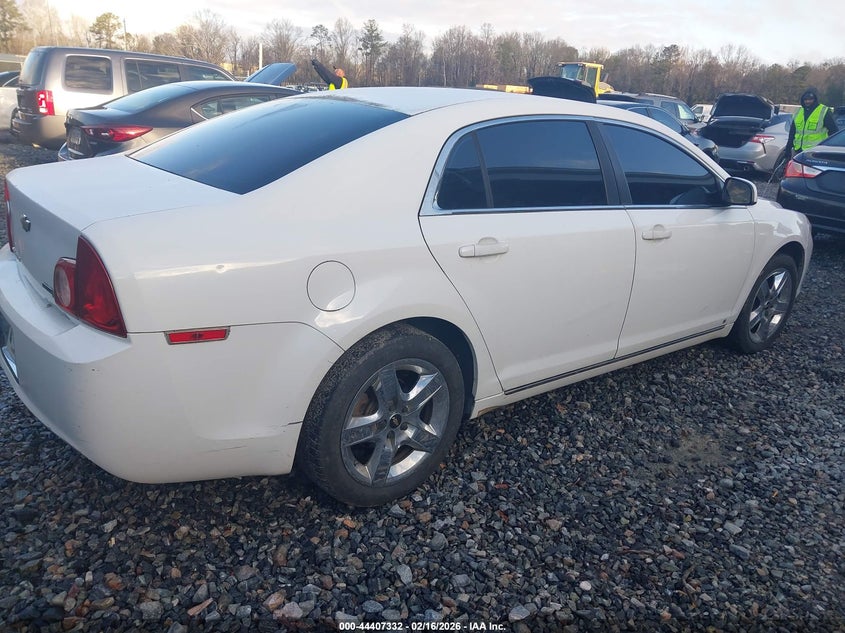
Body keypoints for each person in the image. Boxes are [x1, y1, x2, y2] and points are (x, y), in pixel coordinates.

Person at [786, 88, 839, 157]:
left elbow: (833, 131)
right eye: (805, 99)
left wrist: (829, 149)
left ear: (815, 99)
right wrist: (788, 148)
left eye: (810, 99)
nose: (807, 101)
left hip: (816, 151)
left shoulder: (823, 111)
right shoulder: (799, 111)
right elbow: (792, 132)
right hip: (798, 150)